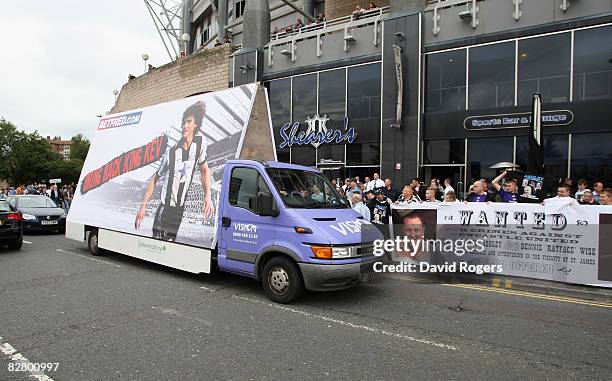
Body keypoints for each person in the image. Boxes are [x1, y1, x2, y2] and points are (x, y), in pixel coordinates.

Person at [135, 101, 213, 241]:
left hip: (179, 211)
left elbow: (204, 170)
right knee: (158, 246)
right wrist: (143, 206)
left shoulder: (200, 143)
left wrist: (208, 195)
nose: (184, 126)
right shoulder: (171, 153)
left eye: (189, 122)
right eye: (183, 122)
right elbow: (155, 178)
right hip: (165, 210)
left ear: (196, 125)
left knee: (171, 245)